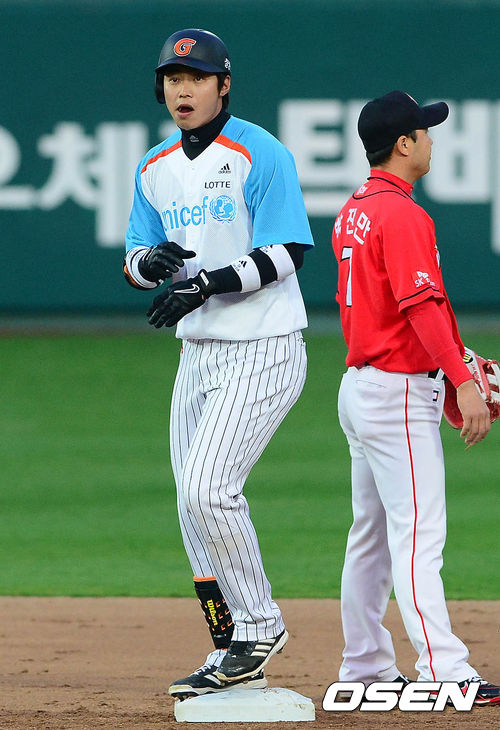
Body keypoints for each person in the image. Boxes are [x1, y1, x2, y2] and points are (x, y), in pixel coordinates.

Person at [123, 28, 313, 699]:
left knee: (209, 489)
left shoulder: (260, 151)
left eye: (197, 77)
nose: (184, 89)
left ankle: (260, 625)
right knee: (192, 504)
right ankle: (231, 643)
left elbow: (288, 250)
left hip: (263, 345)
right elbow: (135, 255)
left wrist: (206, 284)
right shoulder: (154, 166)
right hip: (198, 354)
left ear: (223, 84)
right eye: (173, 78)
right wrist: (150, 264)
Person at [331, 90, 500, 705]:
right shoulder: (403, 215)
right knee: (418, 537)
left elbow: (389, 308)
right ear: (404, 144)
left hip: (362, 386)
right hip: (397, 394)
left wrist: (457, 360)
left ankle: (365, 665)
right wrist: (463, 381)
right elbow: (419, 306)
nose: (431, 139)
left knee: (372, 537)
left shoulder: (353, 209)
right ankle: (444, 668)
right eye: (424, 132)